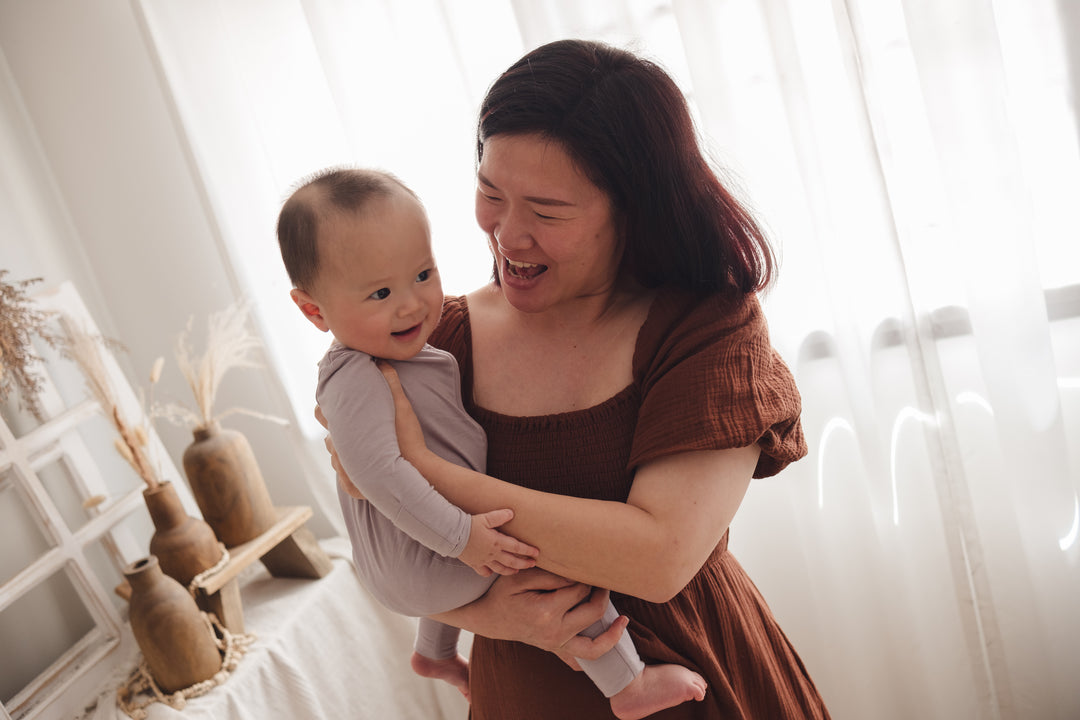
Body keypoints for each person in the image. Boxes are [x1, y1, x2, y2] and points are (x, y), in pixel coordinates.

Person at [323, 39, 831, 719]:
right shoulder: (429, 340)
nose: (507, 234)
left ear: (634, 209)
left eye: (548, 210)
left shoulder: (708, 328)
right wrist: (500, 618)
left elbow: (658, 557)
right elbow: (382, 536)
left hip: (695, 678)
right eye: (490, 192)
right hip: (523, 693)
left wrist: (423, 469)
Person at [278, 166, 708, 719]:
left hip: (420, 557)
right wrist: (464, 540)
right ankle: (627, 684)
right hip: (421, 557)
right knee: (551, 566)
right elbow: (379, 476)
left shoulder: (401, 353)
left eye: (423, 274)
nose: (411, 305)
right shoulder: (357, 375)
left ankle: (433, 654)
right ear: (314, 311)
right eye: (380, 292)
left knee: (475, 546)